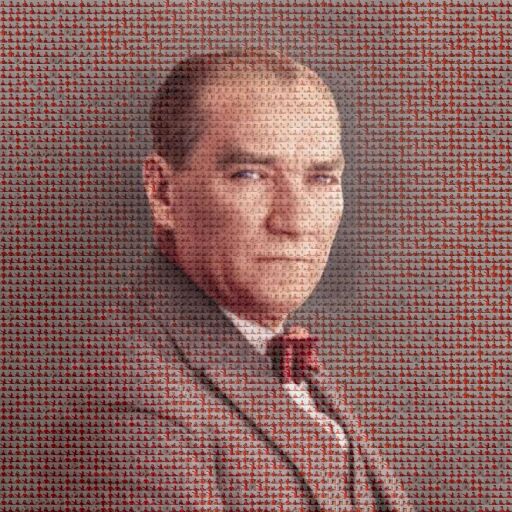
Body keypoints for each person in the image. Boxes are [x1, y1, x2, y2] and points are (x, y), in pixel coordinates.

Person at [29, 49, 414, 512]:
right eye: (250, 175)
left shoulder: (264, 351)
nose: (295, 221)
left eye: (321, 178)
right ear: (163, 192)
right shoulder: (126, 395)